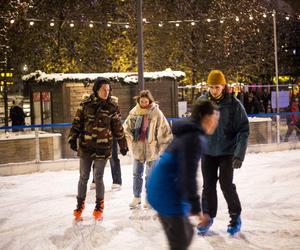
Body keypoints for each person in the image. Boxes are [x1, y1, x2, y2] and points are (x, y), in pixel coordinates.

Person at [147, 100, 220, 250]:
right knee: (180, 242)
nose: (216, 123)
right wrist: (196, 207)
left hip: (158, 187)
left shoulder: (190, 134)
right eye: (215, 119)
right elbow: (188, 175)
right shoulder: (194, 138)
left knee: (187, 234)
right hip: (166, 191)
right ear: (205, 117)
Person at [196, 70, 249, 235]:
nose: (213, 90)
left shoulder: (233, 104)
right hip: (208, 152)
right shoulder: (202, 102)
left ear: (223, 86)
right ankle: (208, 216)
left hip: (227, 152)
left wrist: (239, 154)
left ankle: (235, 216)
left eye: (217, 87)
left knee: (226, 184)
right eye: (211, 87)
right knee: (208, 186)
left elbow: (243, 130)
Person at [68, 78, 128, 221]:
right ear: (96, 89)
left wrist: (123, 144)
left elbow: (117, 128)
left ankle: (99, 206)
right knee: (83, 177)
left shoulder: (112, 107)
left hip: (103, 147)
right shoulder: (86, 104)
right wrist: (72, 138)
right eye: (103, 90)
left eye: (108, 90)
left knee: (99, 177)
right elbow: (77, 122)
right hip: (86, 146)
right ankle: (80, 205)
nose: (106, 92)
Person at [123, 89, 172, 209]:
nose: (144, 103)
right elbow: (126, 128)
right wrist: (131, 138)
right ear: (138, 101)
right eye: (141, 101)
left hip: (152, 149)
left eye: (146, 101)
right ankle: (136, 197)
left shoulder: (156, 112)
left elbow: (164, 128)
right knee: (136, 173)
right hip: (138, 148)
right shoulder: (134, 112)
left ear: (149, 101)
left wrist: (162, 146)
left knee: (150, 175)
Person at [90, 96, 123, 190]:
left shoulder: (115, 111)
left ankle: (117, 181)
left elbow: (117, 124)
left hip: (111, 137)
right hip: (99, 137)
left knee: (113, 158)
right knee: (97, 157)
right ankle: (95, 180)